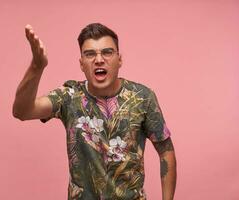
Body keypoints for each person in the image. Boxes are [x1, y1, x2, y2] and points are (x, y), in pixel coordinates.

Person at [13, 23, 177, 200]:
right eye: (90, 54)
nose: (99, 59)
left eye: (107, 52)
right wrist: (36, 67)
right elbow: (22, 111)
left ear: (119, 59)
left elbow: (166, 151)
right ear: (82, 64)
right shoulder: (69, 96)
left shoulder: (142, 97)